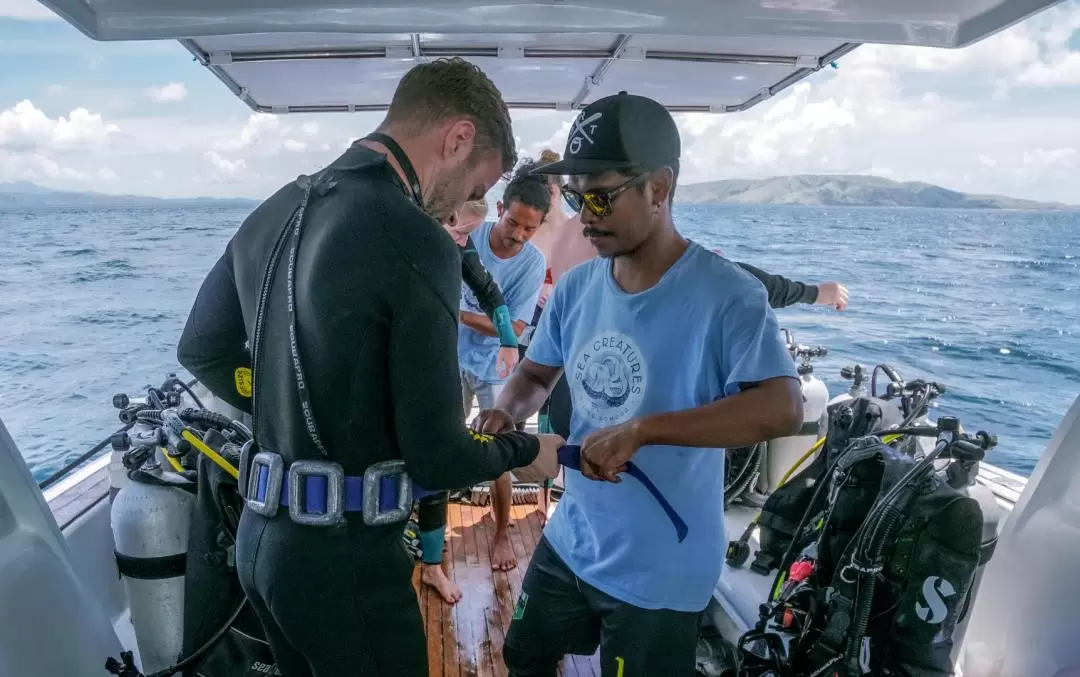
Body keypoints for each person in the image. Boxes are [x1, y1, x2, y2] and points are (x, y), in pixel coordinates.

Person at [175, 57, 563, 677]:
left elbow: (205, 353)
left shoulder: (271, 211)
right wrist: (528, 451)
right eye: (476, 183)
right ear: (457, 137)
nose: (472, 200)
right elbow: (439, 457)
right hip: (343, 566)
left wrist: (274, 400)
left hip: (258, 546)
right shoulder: (417, 240)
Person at [473, 91, 804, 676]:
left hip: (663, 568)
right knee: (523, 657)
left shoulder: (726, 295)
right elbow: (533, 373)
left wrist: (644, 431)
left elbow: (784, 408)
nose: (584, 215)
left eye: (600, 195)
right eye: (575, 197)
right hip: (575, 538)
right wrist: (505, 412)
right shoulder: (577, 289)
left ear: (660, 187)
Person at [457, 160, 549, 572]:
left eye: (530, 229)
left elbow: (512, 327)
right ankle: (431, 535)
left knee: (500, 456)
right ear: (499, 209)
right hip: (450, 360)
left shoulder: (532, 263)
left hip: (498, 368)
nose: (519, 235)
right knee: (434, 441)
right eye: (514, 223)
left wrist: (455, 313)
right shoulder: (465, 236)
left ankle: (501, 535)